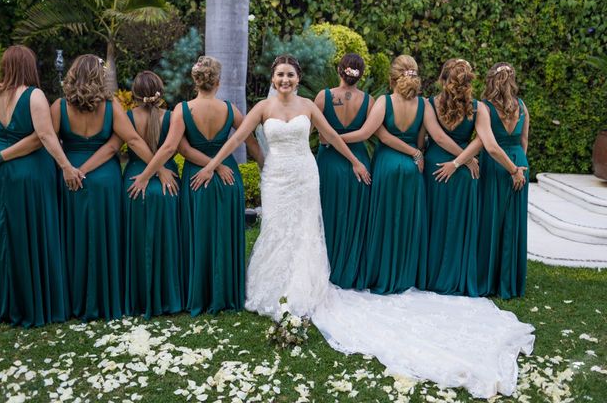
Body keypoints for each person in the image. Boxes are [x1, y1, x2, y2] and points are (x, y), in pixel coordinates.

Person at [190, 54, 534, 399]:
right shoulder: (262, 108)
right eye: (280, 74)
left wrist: (355, 161)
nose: (285, 80)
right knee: (277, 231)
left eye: (290, 74)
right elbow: (237, 140)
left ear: (298, 77)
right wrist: (213, 165)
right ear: (273, 77)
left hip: (305, 176)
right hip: (277, 178)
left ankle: (302, 286)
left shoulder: (312, 104)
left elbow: (334, 137)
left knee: (307, 231)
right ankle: (273, 284)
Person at [128, 55, 263, 316]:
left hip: (196, 179)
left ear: (195, 80)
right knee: (225, 236)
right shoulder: (230, 109)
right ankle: (227, 295)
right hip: (228, 180)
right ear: (218, 81)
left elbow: (176, 148)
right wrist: (262, 167)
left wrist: (146, 175)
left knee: (198, 236)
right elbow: (251, 142)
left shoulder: (182, 110)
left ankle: (199, 295)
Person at [0, 45, 83, 327]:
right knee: (29, 234)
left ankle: (0, 304)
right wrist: (66, 166)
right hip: (28, 173)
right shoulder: (34, 96)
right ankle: (30, 303)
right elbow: (44, 136)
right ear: (29, 66)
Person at [51, 54, 162, 321]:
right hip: (104, 179)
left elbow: (47, 141)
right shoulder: (111, 106)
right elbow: (130, 141)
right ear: (99, 77)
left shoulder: (58, 106)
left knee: (73, 239)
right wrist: (158, 168)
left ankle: (73, 301)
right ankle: (106, 298)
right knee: (104, 237)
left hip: (70, 178)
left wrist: (70, 168)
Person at [432, 63, 528, 298]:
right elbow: (524, 140)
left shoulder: (484, 108)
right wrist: (520, 167)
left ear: (491, 81)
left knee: (489, 221)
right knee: (512, 222)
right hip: (519, 162)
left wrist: (512, 169)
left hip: (497, 165)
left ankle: (487, 279)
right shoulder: (523, 107)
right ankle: (510, 282)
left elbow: (489, 145)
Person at [340, 55, 427, 294]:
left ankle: (380, 273)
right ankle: (403, 275)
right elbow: (421, 141)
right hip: (412, 166)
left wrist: (335, 139)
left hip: (387, 164)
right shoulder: (424, 105)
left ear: (392, 78)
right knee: (406, 223)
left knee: (384, 220)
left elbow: (367, 133)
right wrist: (416, 153)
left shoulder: (384, 102)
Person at [120, 71, 183, 318]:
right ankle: (170, 297)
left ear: (134, 93)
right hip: (169, 183)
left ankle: (137, 298)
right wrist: (161, 170)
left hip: (135, 182)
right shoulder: (172, 117)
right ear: (160, 91)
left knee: (136, 241)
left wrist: (147, 174)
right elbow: (178, 148)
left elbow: (118, 147)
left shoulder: (126, 118)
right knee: (168, 240)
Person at [422, 59, 481, 296]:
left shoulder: (428, 104)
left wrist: (458, 160)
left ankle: (431, 276)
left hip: (436, 166)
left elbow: (438, 137)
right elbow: (481, 140)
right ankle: (456, 276)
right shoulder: (478, 106)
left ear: (442, 78)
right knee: (457, 223)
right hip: (467, 170)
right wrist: (465, 159)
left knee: (435, 222)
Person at [314, 53, 373, 288]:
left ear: (340, 71)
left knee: (327, 214)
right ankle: (350, 271)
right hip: (359, 162)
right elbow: (369, 132)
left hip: (329, 161)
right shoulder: (369, 101)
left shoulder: (323, 97)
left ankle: (326, 269)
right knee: (354, 217)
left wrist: (330, 138)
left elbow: (312, 130)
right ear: (361, 75)